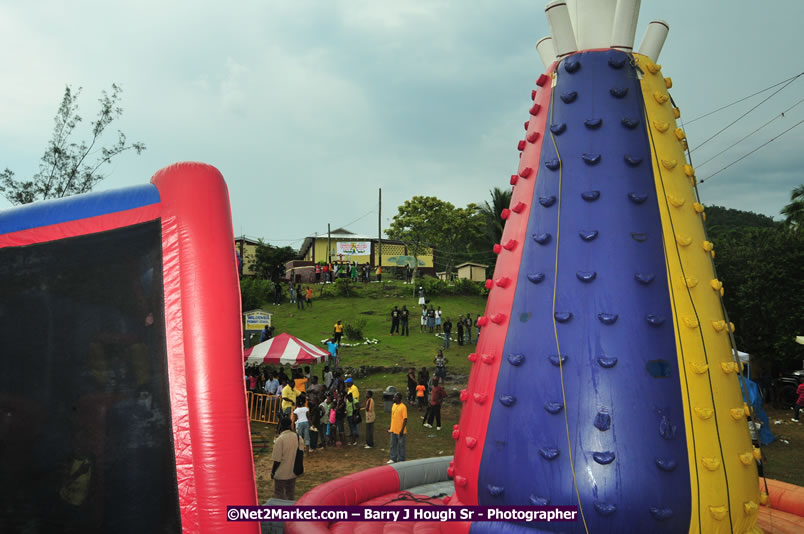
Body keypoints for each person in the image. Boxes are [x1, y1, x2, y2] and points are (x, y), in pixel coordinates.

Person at [271, 417, 304, 500]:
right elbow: (301, 453)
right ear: (290, 425)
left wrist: (273, 472)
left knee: (279, 496)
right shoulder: (298, 437)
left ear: (281, 426)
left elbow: (277, 460)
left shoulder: (280, 440)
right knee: (290, 495)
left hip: (281, 474)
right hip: (293, 472)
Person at [387, 393, 407, 464]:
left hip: (400, 430)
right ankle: (393, 458)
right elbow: (393, 417)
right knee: (393, 444)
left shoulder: (403, 407)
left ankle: (401, 459)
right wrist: (390, 425)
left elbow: (405, 419)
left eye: (394, 397)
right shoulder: (393, 405)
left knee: (401, 446)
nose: (393, 399)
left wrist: (402, 430)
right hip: (393, 429)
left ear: (398, 398)